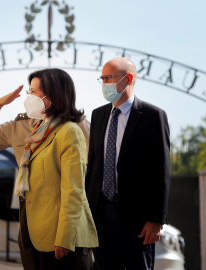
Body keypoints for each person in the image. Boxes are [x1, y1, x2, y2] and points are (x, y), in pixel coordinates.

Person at [0, 68, 98, 270]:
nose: (29, 97)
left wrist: (66, 236)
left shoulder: (74, 127)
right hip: (33, 224)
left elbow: (75, 187)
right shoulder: (24, 125)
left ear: (54, 94)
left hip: (60, 227)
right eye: (29, 91)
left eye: (34, 92)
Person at [85, 57, 170, 270]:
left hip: (137, 219)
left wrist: (155, 219)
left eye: (109, 78)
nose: (104, 83)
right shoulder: (98, 115)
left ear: (128, 78)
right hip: (101, 214)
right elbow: (93, 165)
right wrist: (87, 211)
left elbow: (161, 171)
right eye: (102, 78)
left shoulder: (153, 116)